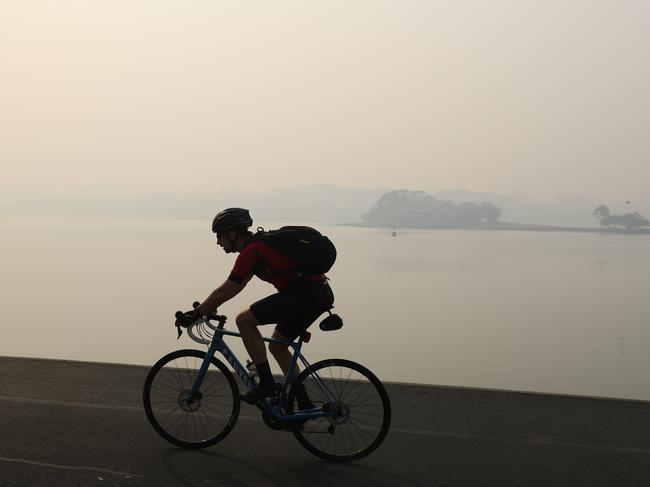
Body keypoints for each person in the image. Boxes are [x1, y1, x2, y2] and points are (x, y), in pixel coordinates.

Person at [175, 208, 334, 406]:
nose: (218, 242)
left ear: (232, 234)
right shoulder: (258, 248)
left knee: (244, 320)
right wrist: (208, 307)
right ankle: (303, 401)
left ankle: (266, 383)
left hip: (305, 296)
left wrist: (197, 313)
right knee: (278, 346)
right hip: (318, 294)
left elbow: (227, 289)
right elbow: (234, 288)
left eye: (219, 236)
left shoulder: (252, 251)